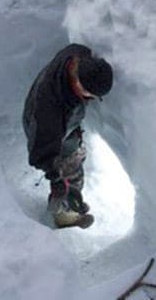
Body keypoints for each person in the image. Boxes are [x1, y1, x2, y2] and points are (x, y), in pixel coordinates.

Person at [22, 44, 114, 229]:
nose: (90, 100)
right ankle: (63, 214)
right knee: (69, 169)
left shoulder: (77, 55)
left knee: (74, 157)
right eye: (89, 95)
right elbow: (40, 153)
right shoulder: (48, 113)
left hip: (64, 126)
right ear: (77, 81)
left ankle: (69, 198)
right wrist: (57, 180)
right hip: (43, 134)